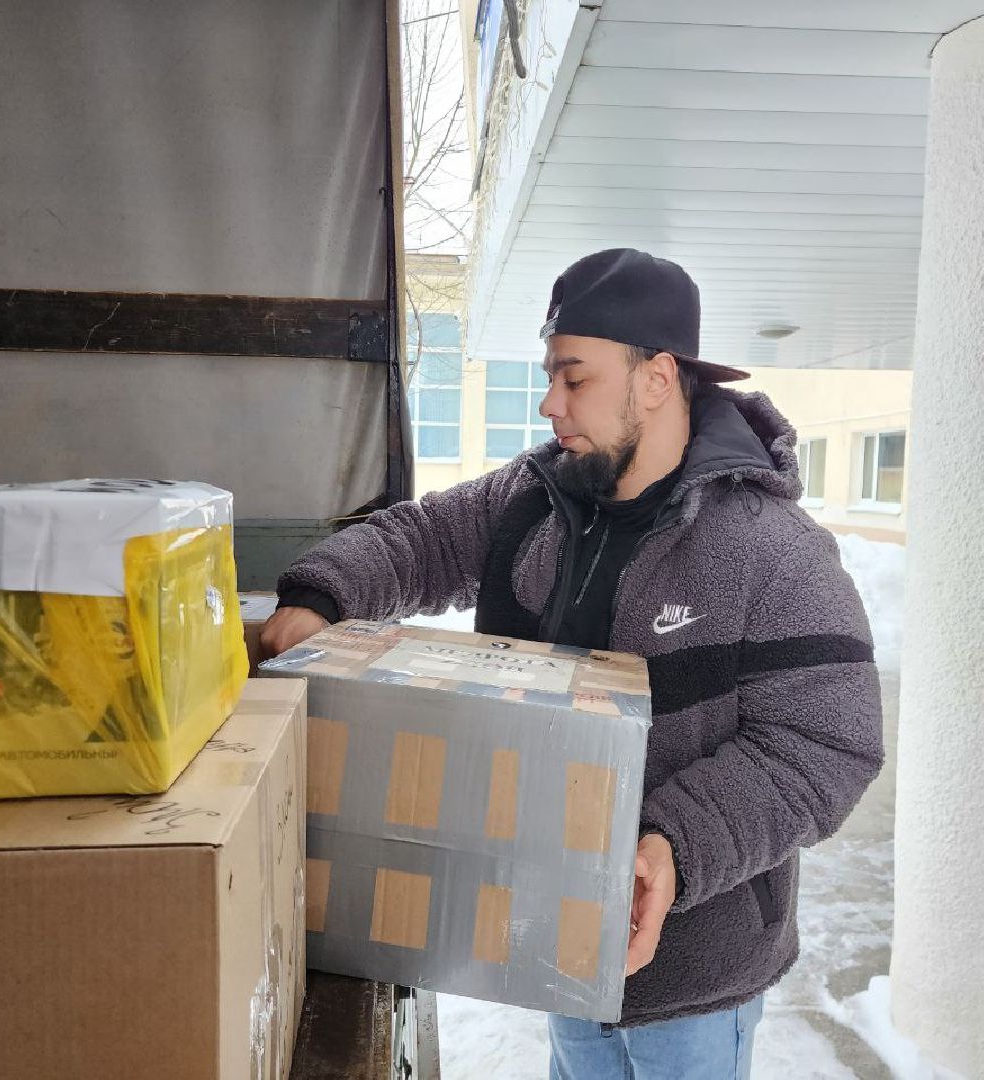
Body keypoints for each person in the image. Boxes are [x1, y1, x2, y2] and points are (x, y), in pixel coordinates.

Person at [262, 248, 884, 1080]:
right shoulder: (538, 496)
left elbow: (829, 741)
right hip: (557, 947)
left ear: (657, 377)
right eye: (551, 376)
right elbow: (422, 538)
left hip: (695, 980)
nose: (552, 403)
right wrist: (322, 594)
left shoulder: (771, 551)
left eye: (575, 377)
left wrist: (673, 845)